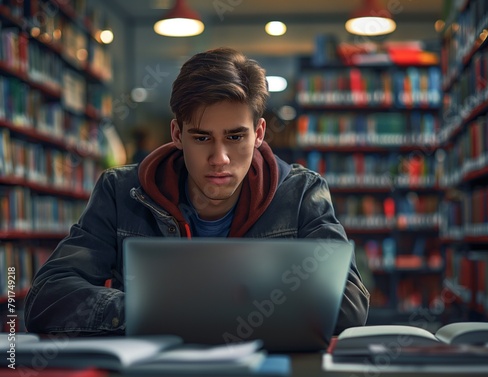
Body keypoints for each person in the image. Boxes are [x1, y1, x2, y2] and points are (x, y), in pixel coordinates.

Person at [24, 47, 369, 336]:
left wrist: (198, 311)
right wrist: (157, 311)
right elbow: (46, 298)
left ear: (259, 133)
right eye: (202, 138)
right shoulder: (120, 192)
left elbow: (349, 303)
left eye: (235, 137)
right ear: (177, 134)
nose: (219, 159)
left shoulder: (301, 193)